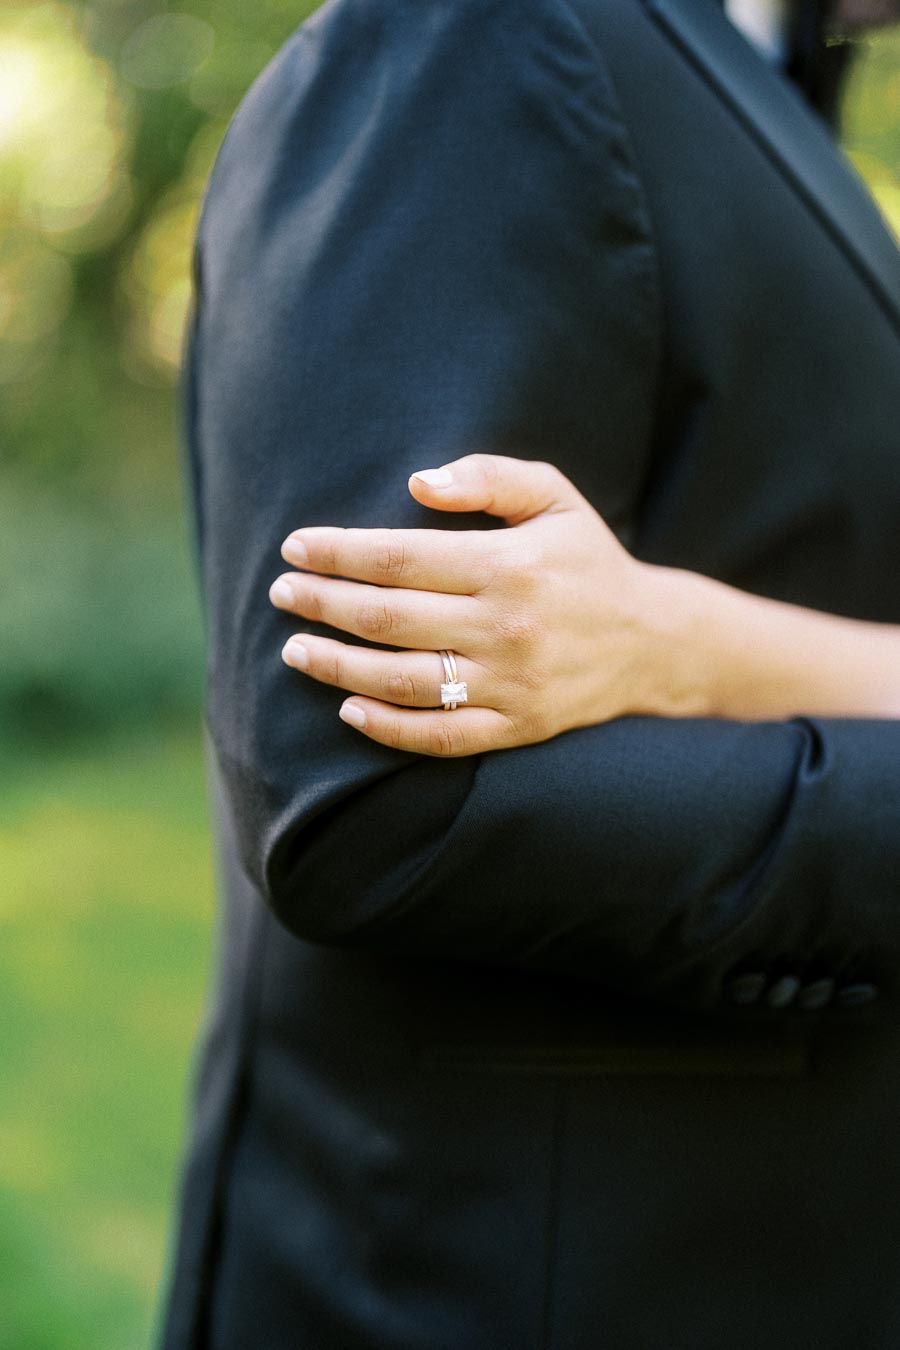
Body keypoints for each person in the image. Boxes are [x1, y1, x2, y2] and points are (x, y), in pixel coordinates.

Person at [158, 0, 900, 1346]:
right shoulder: (480, 31)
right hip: (504, 1285)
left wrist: (684, 645)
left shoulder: (772, 76)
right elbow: (369, 804)